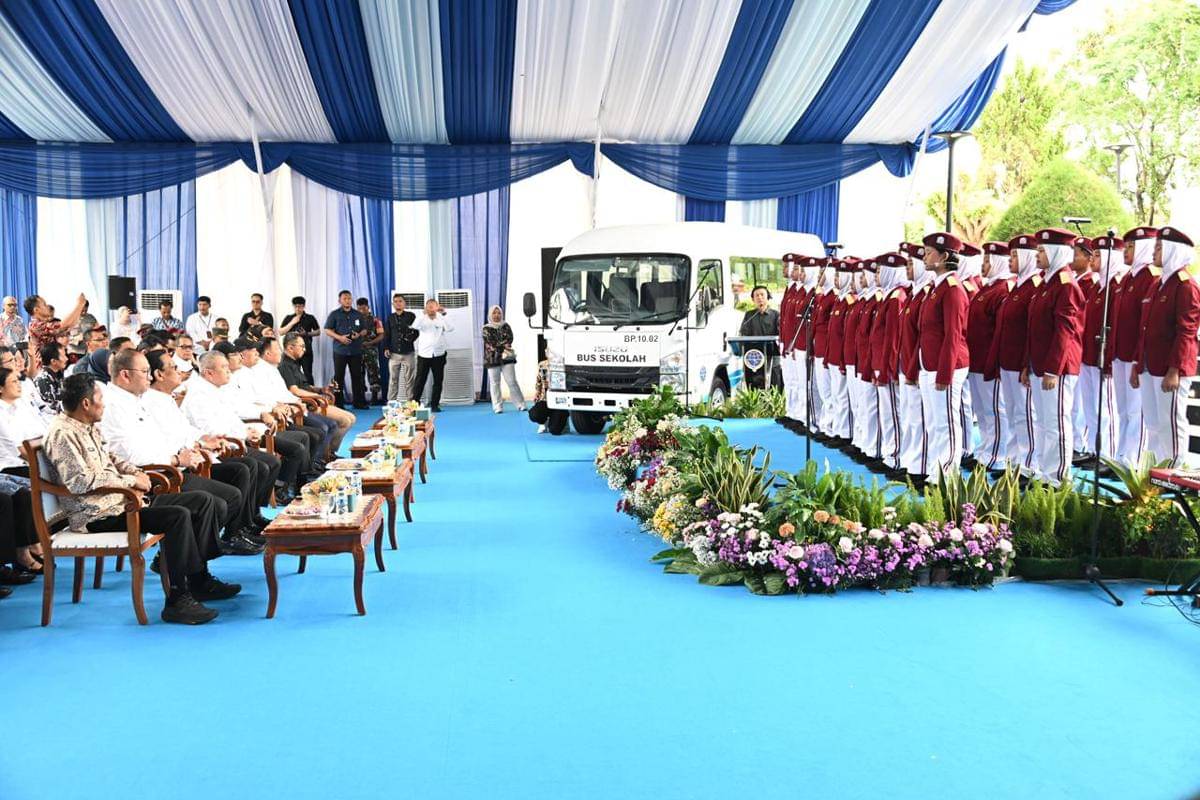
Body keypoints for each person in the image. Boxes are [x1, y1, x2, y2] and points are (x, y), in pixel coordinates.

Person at [44, 373, 237, 624]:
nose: (105, 404)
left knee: (202, 501)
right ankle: (177, 600)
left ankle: (198, 577)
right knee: (177, 516)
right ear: (86, 404)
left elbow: (112, 459)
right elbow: (80, 482)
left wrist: (136, 473)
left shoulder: (87, 427)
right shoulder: (63, 434)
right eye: (101, 399)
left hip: (121, 502)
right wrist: (129, 483)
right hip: (97, 515)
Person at [100, 348, 261, 555]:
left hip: (168, 466)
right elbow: (130, 456)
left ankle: (196, 554)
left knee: (227, 496)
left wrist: (198, 443)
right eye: (144, 371)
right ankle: (197, 557)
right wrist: (177, 458)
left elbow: (162, 438)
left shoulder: (136, 400)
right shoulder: (115, 406)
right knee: (220, 501)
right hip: (151, 477)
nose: (148, 377)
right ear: (125, 374)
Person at [183, 351, 283, 516]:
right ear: (209, 373)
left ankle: (253, 515)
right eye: (223, 367)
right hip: (217, 449)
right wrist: (243, 435)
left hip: (232, 442)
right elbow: (210, 430)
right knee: (255, 467)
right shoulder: (199, 395)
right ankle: (240, 524)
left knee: (270, 463)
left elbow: (231, 418)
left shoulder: (216, 389)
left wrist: (247, 431)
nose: (228, 370)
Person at [1021, 228, 1085, 487]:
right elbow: (1034, 328)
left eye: (1041, 250)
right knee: (1044, 422)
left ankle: (1057, 478)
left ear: (1056, 252)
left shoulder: (1066, 284)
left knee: (1057, 423)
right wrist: (1028, 365)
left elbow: (1064, 332)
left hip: (1056, 368)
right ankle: (1045, 472)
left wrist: (1052, 370)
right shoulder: (1047, 281)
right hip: (1040, 365)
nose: (1037, 255)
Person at [1132, 226, 1199, 469]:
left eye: (1160, 248)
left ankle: (1173, 473)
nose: (1154, 252)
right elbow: (1145, 328)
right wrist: (1137, 364)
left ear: (1173, 251)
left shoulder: (1186, 286)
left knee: (1171, 423)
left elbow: (1187, 331)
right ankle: (1155, 472)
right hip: (1150, 365)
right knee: (1153, 423)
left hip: (1170, 369)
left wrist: (1175, 370)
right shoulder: (1157, 284)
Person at [215, 340, 312, 503]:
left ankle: (294, 484)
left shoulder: (236, 377)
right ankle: (280, 488)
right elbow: (238, 410)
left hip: (254, 425)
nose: (239, 357)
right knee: (291, 450)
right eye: (234, 355)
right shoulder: (223, 384)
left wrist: (272, 408)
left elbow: (251, 401)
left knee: (303, 440)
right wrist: (263, 414)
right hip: (245, 431)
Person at [985, 235, 1042, 476]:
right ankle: (1013, 462)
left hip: (1021, 363)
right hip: (1007, 361)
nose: (1010, 260)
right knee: (1012, 415)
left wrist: (1025, 364)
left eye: (1016, 255)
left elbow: (1032, 330)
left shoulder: (1034, 287)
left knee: (1025, 415)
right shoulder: (1019, 286)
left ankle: (1028, 466)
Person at [917, 232, 970, 486]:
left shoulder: (953, 290)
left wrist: (944, 372)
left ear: (945, 256)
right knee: (935, 421)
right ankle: (934, 469)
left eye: (929, 252)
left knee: (947, 421)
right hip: (930, 364)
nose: (924, 256)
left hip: (945, 365)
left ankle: (947, 473)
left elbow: (953, 335)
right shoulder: (935, 288)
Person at [239, 338, 330, 470]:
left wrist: (293, 402)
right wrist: (274, 408)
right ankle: (292, 481)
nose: (257, 355)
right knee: (309, 437)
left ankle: (308, 471)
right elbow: (253, 402)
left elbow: (273, 395)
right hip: (261, 424)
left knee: (316, 433)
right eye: (254, 352)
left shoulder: (254, 371)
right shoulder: (248, 373)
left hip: (275, 415)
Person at [1111, 226, 1160, 467]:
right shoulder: (1128, 278)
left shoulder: (1150, 278)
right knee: (1123, 410)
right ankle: (1122, 456)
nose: (1126, 251)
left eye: (1132, 247)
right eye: (1126, 246)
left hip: (1133, 355)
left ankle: (1132, 461)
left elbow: (1144, 323)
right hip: (1119, 353)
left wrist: (1137, 358)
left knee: (1136, 411)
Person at [965, 242, 1014, 473]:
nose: (984, 265)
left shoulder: (1003, 290)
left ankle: (997, 454)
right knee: (983, 410)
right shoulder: (987, 288)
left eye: (988, 260)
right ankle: (985, 450)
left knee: (995, 409)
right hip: (976, 361)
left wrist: (992, 362)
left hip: (988, 362)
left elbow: (998, 331)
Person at [1078, 236, 1125, 469]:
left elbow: (1115, 325)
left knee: (1107, 408)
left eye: (1098, 255)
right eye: (1093, 254)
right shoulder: (1099, 287)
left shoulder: (1115, 287)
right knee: (1092, 407)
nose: (1093, 259)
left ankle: (1109, 454)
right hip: (1088, 354)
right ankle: (1094, 449)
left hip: (1103, 356)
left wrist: (1108, 360)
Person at [279, 333, 355, 455]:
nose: (304, 349)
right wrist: (317, 397)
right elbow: (294, 390)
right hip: (306, 405)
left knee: (351, 418)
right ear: (290, 347)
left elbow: (304, 386)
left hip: (313, 401)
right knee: (345, 421)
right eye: (302, 346)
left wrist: (322, 390)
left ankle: (329, 452)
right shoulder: (284, 366)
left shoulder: (295, 363)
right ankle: (327, 453)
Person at [870, 252, 910, 478]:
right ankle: (889, 454)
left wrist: (889, 368)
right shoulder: (888, 296)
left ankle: (896, 457)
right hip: (879, 362)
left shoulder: (896, 298)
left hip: (888, 364)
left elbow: (893, 338)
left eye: (879, 271)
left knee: (894, 413)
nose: (876, 275)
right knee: (887, 413)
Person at [324, 290, 369, 409]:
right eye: (345, 298)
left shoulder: (358, 314)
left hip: (355, 350)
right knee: (339, 377)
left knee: (357, 376)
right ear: (340, 300)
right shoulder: (334, 314)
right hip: (340, 350)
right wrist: (340, 338)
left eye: (349, 298)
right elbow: (327, 330)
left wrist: (359, 335)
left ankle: (358, 402)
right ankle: (339, 403)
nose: (347, 300)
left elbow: (364, 330)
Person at [412, 299, 454, 411]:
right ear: (426, 307)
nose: (431, 308)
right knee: (420, 380)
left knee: (438, 380)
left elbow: (450, 328)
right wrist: (423, 314)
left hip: (439, 354)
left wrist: (444, 313)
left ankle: (435, 404)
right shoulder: (422, 318)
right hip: (424, 354)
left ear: (437, 307)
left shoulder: (441, 317)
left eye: (433, 306)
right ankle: (414, 405)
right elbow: (414, 326)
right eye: (428, 306)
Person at [483, 305, 525, 413]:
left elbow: (510, 338)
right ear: (490, 315)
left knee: (512, 381)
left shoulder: (506, 326)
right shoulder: (486, 328)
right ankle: (497, 406)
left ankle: (520, 404)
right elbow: (490, 342)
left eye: (499, 313)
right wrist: (502, 345)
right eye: (494, 313)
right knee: (495, 383)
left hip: (507, 358)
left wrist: (500, 345)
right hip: (492, 359)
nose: (497, 315)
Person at [738, 285, 780, 391]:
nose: (759, 297)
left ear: (768, 297)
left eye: (762, 295)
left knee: (774, 380)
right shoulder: (749, 315)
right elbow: (744, 333)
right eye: (756, 296)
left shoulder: (776, 315)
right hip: (754, 356)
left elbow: (780, 334)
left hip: (772, 354)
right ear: (753, 299)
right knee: (753, 382)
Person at [384, 294, 418, 402]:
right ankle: (392, 403)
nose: (398, 303)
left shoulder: (411, 316)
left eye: (400, 301)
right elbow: (387, 334)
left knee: (409, 379)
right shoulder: (390, 317)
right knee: (393, 379)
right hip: (394, 353)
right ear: (393, 304)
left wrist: (410, 338)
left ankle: (410, 403)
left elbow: (417, 331)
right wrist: (386, 348)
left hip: (408, 353)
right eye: (396, 301)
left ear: (404, 303)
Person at [279, 297, 320, 383]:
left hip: (306, 350)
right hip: (291, 352)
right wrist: (292, 322)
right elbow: (281, 332)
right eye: (296, 306)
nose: (298, 308)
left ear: (304, 306)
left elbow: (318, 331)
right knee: (292, 373)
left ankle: (312, 394)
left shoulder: (310, 317)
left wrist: (306, 334)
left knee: (308, 373)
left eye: (300, 306)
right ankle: (296, 393)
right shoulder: (289, 317)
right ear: (293, 306)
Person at [355, 297, 386, 405]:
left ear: (368, 307)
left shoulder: (376, 320)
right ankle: (361, 397)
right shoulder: (355, 320)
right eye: (359, 309)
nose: (361, 311)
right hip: (357, 351)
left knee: (373, 374)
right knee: (358, 374)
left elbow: (381, 335)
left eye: (364, 308)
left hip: (371, 351)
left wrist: (370, 343)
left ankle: (374, 397)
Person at [33, 341, 67, 416]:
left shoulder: (58, 373)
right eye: (64, 356)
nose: (66, 359)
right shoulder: (42, 380)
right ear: (53, 361)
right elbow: (51, 409)